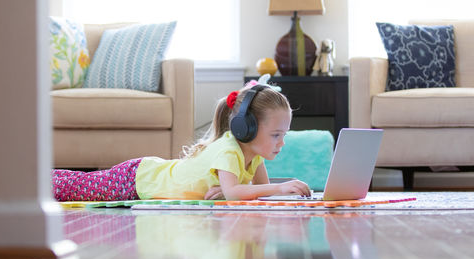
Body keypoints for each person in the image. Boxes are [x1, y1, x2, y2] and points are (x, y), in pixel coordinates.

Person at [52, 77, 311, 201]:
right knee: (74, 187)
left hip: (147, 177)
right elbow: (236, 193)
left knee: (77, 184)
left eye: (283, 135)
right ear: (247, 128)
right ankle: (33, 183)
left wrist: (283, 190)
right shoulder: (229, 150)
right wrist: (280, 187)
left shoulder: (253, 157)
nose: (282, 142)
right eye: (276, 135)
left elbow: (253, 194)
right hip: (139, 181)